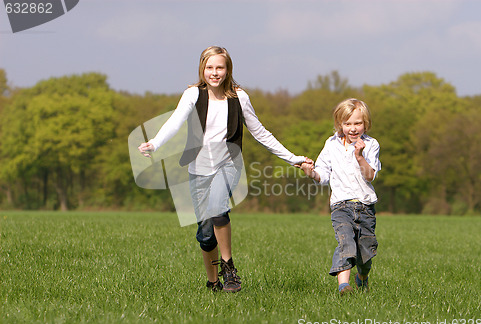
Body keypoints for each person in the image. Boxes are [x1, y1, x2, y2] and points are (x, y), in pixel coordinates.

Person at [138, 46, 312, 293]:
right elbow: (175, 121)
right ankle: (212, 282)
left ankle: (229, 268)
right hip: (198, 170)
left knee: (219, 211)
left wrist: (292, 158)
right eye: (209, 67)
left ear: (228, 69)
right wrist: (154, 143)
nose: (215, 72)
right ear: (202, 69)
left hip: (228, 165)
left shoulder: (239, 97)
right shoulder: (192, 95)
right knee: (206, 234)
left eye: (220, 67)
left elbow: (260, 132)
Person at [301, 98, 381, 296]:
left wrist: (359, 156)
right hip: (341, 205)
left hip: (365, 206)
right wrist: (310, 172)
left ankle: (362, 276)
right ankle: (343, 286)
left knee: (365, 253)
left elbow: (370, 175)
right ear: (339, 124)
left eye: (357, 123)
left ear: (366, 124)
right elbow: (323, 175)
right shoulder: (331, 144)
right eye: (347, 124)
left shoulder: (371, 145)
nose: (353, 129)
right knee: (345, 242)